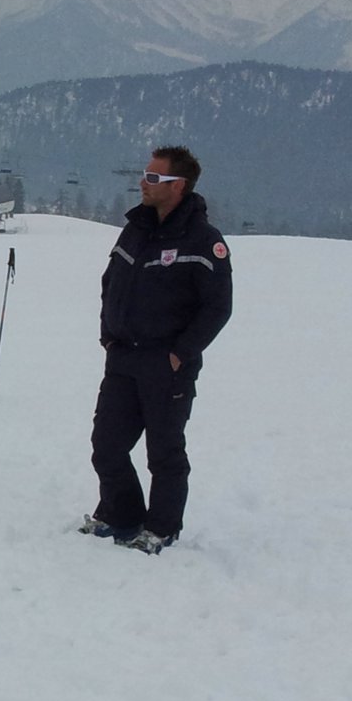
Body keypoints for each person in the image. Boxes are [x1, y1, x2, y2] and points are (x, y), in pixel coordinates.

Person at [83, 145, 232, 554]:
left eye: (153, 178)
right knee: (107, 444)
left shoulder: (205, 241)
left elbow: (218, 307)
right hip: (123, 357)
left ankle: (161, 526)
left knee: (163, 451)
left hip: (167, 365)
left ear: (177, 186)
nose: (142, 183)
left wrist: (180, 352)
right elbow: (109, 282)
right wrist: (108, 335)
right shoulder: (137, 228)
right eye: (145, 175)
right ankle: (120, 514)